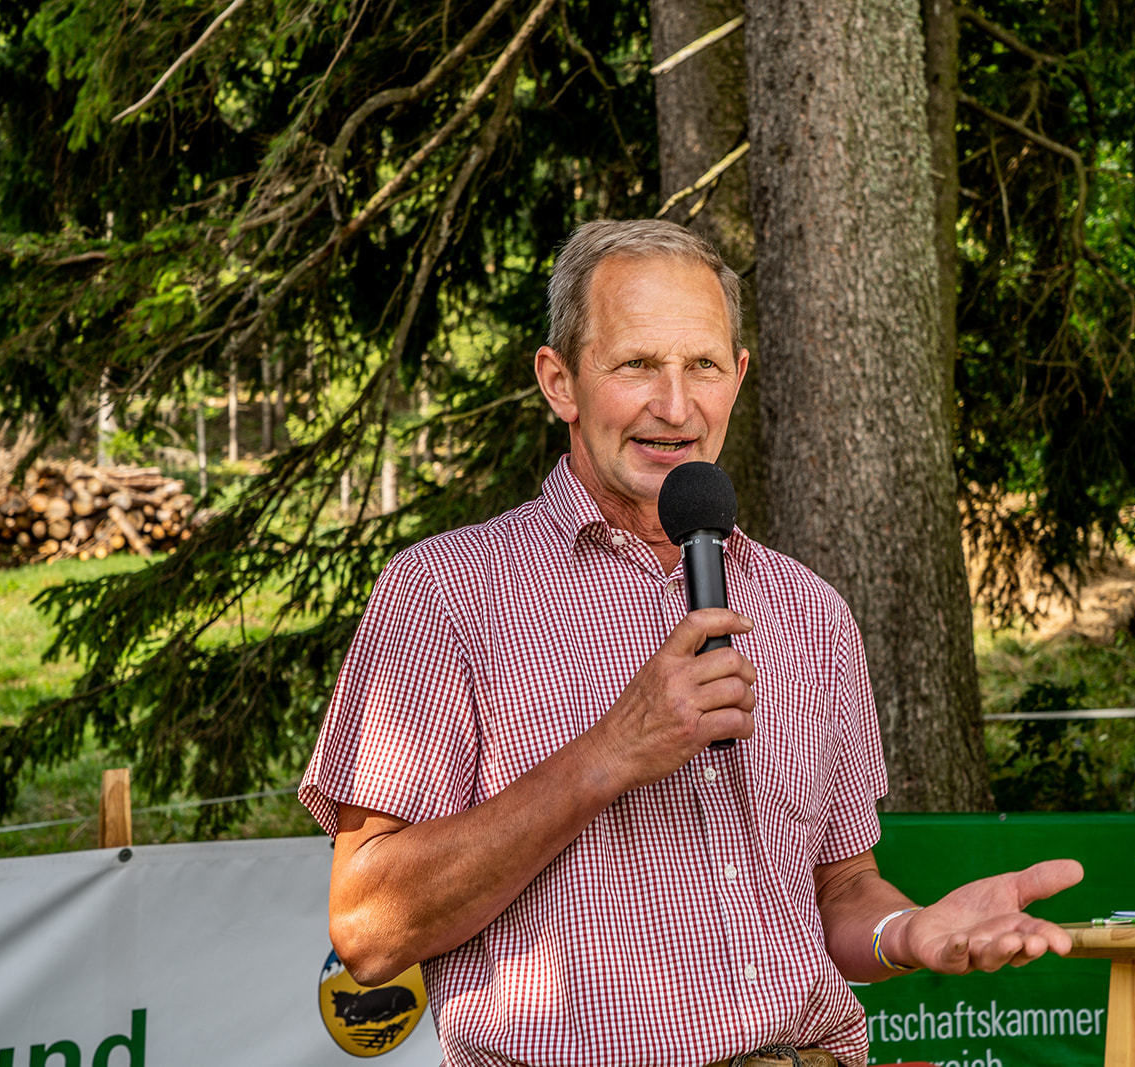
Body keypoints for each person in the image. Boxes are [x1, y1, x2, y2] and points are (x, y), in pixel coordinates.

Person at [299, 219, 1083, 1067]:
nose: (675, 407)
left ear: (737, 378)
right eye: (636, 364)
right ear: (559, 380)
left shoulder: (810, 611)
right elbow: (370, 928)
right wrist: (611, 751)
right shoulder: (448, 593)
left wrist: (909, 930)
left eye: (703, 365)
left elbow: (843, 888)